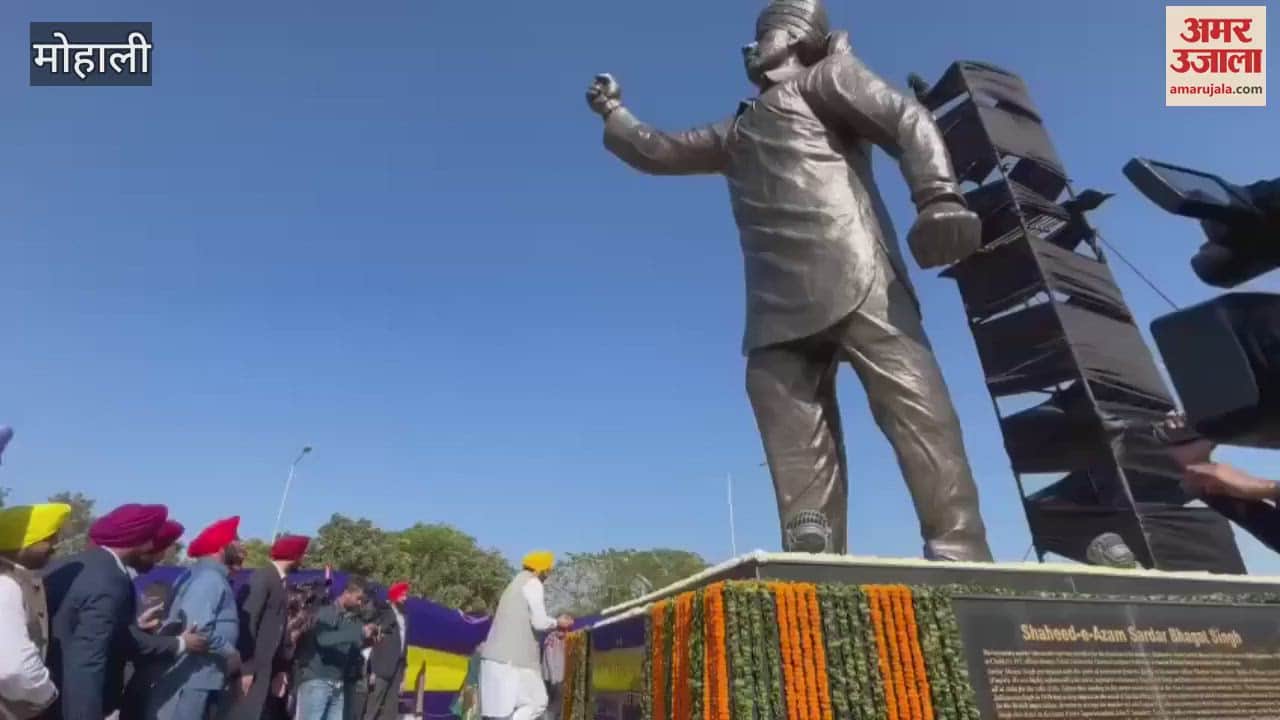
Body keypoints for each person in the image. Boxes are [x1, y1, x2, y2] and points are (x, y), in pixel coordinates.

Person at [585, 0, 993, 560]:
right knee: (789, 425)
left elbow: (907, 119)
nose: (750, 48)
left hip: (857, 272)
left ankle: (959, 548)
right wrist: (616, 114)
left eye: (765, 35)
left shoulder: (827, 79)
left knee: (916, 410)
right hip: (777, 303)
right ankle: (814, 559)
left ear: (797, 39)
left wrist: (938, 197)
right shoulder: (736, 130)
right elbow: (661, 150)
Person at [42, 504, 191, 720]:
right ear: (137, 540)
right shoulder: (110, 579)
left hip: (47, 698)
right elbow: (88, 660)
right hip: (77, 705)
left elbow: (76, 626)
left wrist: (134, 627)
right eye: (149, 539)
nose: (151, 545)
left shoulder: (71, 563)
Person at [143, 516, 244, 720]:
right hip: (192, 678)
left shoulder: (204, 575)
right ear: (221, 548)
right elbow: (197, 628)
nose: (242, 547)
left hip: (199, 676)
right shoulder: (209, 579)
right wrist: (231, 652)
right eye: (237, 540)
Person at [480, 552, 573, 720]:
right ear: (542, 570)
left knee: (500, 714)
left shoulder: (515, 583)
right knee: (537, 702)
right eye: (548, 571)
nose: (548, 576)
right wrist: (557, 623)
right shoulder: (533, 583)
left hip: (493, 659)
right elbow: (539, 622)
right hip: (513, 661)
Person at [0, 503, 70, 720]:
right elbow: (14, 668)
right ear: (21, 544)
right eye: (47, 539)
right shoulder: (7, 585)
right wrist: (45, 693)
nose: (54, 546)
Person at [228, 534, 309, 720]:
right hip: (251, 670)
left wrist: (280, 669)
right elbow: (247, 623)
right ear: (294, 555)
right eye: (303, 554)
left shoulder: (280, 583)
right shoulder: (263, 578)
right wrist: (246, 669)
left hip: (267, 672)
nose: (304, 560)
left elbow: (278, 632)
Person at [293, 576, 376, 720]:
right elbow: (324, 639)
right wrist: (360, 632)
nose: (360, 603)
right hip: (317, 680)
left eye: (363, 600)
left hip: (338, 683)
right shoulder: (327, 611)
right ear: (347, 593)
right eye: (358, 598)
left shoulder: (349, 619)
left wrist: (367, 642)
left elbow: (346, 646)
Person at [363, 582, 409, 720]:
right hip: (381, 666)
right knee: (373, 705)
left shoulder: (404, 616)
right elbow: (373, 608)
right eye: (403, 594)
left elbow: (404, 643)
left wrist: (403, 673)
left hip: (397, 667)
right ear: (395, 595)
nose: (405, 598)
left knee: (391, 709)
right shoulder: (385, 610)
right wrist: (373, 671)